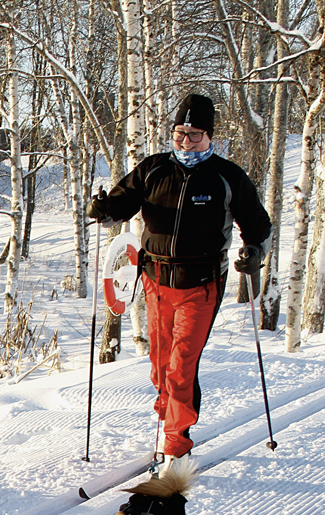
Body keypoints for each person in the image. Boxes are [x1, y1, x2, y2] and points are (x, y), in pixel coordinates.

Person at [89, 93, 272, 462]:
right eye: (179, 133)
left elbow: (258, 226)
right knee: (159, 365)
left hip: (201, 285)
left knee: (181, 364)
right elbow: (120, 205)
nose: (185, 142)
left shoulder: (226, 176)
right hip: (156, 281)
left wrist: (254, 253)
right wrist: (104, 208)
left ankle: (176, 443)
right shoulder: (154, 169)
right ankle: (167, 420)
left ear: (209, 136)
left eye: (193, 135)